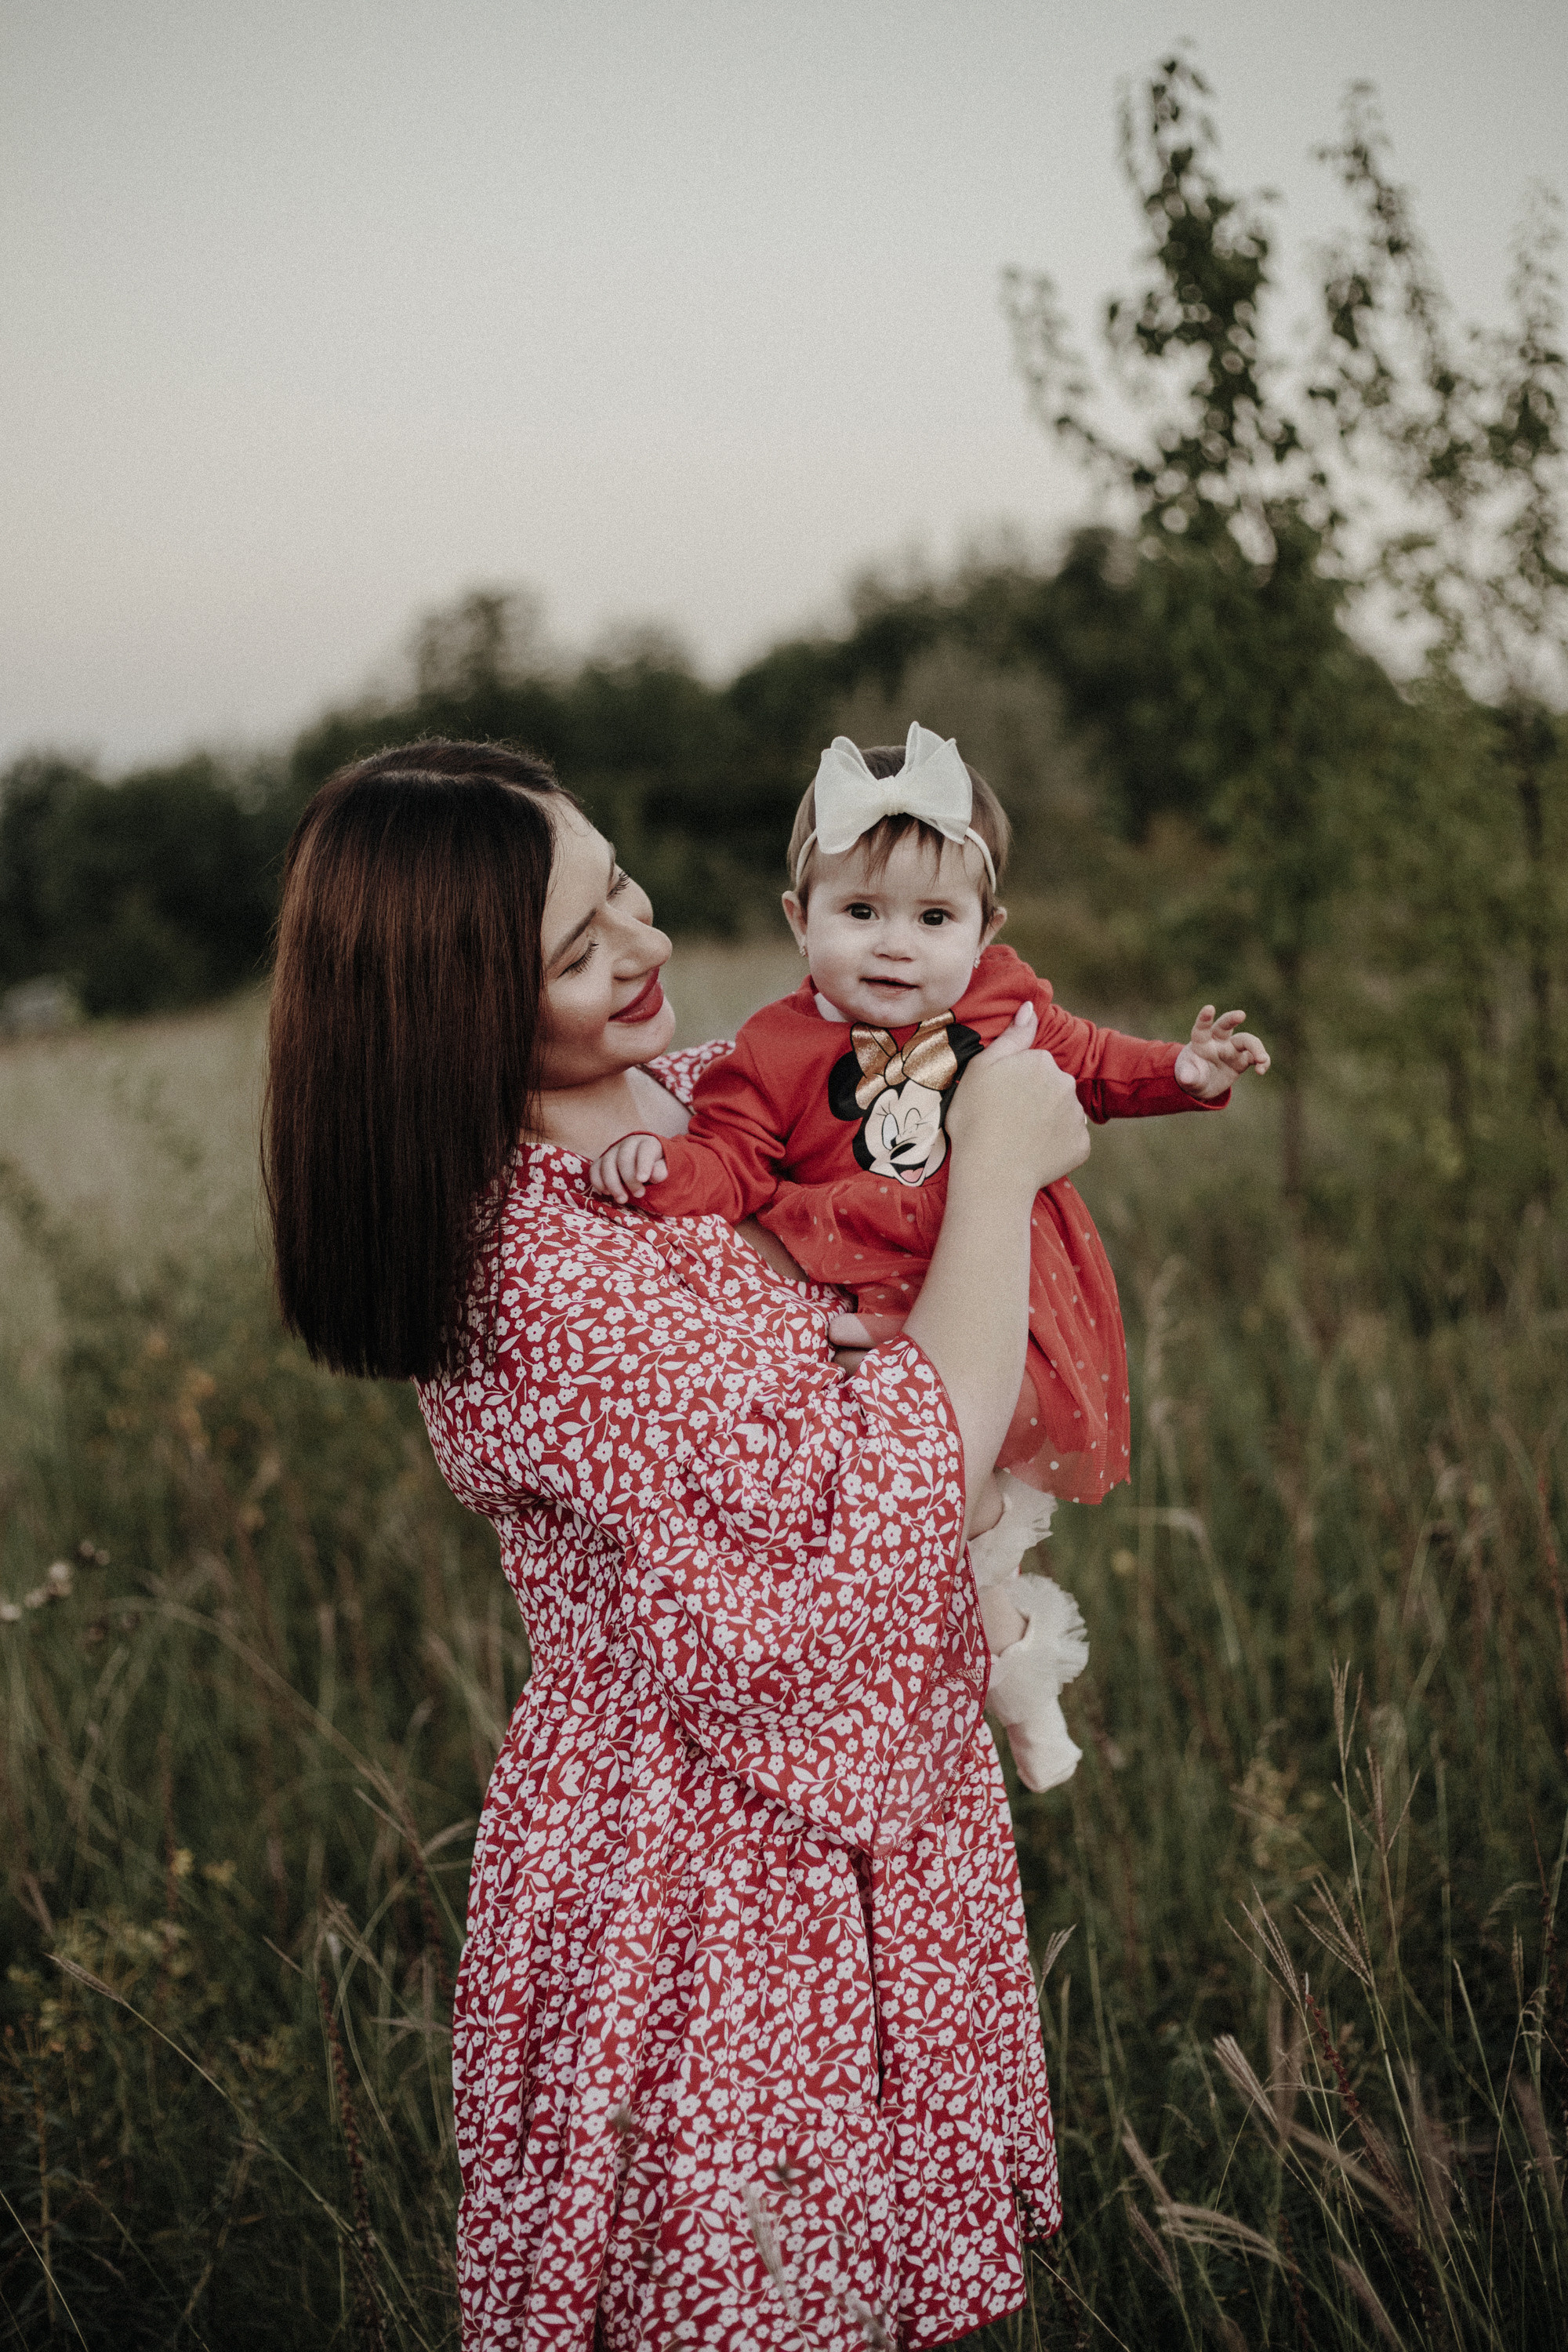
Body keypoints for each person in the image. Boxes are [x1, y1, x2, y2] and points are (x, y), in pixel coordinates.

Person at [263, 739, 1097, 2352]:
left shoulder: (692, 1097)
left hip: (866, 1812)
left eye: (623, 889)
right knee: (756, 2303)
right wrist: (990, 1176)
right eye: (577, 950)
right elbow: (852, 1553)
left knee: (883, 2295)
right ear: (449, 1012)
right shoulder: (543, 1266)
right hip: (709, 1865)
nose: (642, 945)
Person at [586, 724, 1270, 1789]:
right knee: (931, 1506)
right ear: (798, 919)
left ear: (986, 929)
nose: (896, 946)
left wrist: (1187, 1068)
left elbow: (1091, 1067)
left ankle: (1017, 1675)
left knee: (966, 1488)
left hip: (988, 1276)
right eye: (860, 913)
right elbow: (730, 1165)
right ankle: (1017, 1680)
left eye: (934, 919)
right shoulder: (767, 1052)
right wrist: (655, 1168)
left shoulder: (1003, 1006)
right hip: (861, 1289)